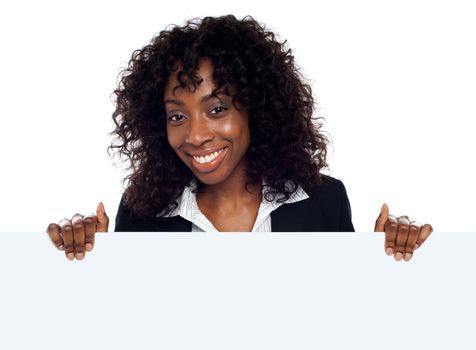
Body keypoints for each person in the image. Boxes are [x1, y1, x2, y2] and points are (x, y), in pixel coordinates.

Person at [46, 15, 432, 262]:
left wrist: (388, 264)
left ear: (256, 107)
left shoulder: (323, 202)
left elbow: (350, 322)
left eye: (217, 109)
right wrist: (83, 261)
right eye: (177, 116)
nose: (196, 135)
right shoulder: (142, 215)